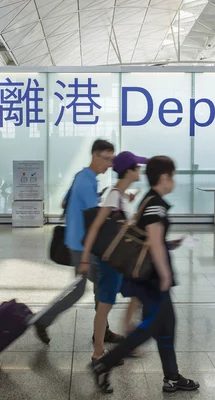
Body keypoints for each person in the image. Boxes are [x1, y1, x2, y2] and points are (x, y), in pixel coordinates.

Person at [90, 156, 200, 394]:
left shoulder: (149, 200)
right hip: (152, 279)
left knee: (167, 325)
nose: (174, 181)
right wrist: (165, 276)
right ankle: (103, 364)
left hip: (151, 277)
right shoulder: (155, 203)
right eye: (173, 176)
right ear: (164, 177)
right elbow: (155, 242)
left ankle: (171, 377)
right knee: (150, 327)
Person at [35, 139, 124, 345]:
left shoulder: (82, 176)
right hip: (82, 245)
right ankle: (42, 320)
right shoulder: (87, 181)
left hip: (78, 241)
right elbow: (95, 219)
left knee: (99, 286)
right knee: (83, 290)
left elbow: (65, 202)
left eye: (112, 159)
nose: (110, 164)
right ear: (95, 155)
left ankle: (103, 331)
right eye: (107, 158)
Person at [80, 152, 147, 361]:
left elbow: (121, 224)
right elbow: (96, 226)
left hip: (121, 261)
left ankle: (129, 343)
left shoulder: (120, 195)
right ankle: (98, 352)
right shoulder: (113, 194)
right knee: (105, 305)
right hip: (110, 262)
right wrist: (84, 258)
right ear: (129, 171)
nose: (140, 171)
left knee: (136, 295)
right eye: (137, 167)